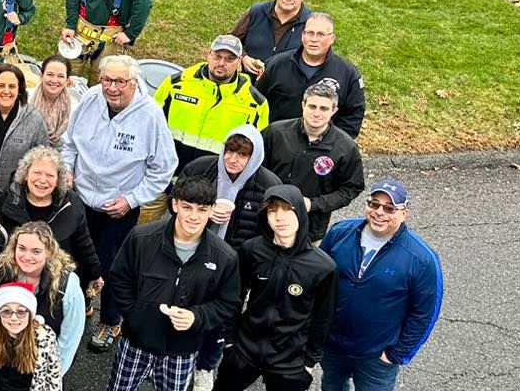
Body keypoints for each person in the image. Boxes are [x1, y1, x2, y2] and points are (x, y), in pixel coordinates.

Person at [181, 186, 337, 391]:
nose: (279, 218)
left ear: (300, 213)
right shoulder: (252, 251)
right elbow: (234, 297)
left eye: (286, 210)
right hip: (246, 346)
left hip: (290, 357)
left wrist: (310, 361)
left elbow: (323, 317)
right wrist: (229, 340)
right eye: (272, 211)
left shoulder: (323, 267)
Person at [293, 180, 443, 391]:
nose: (379, 213)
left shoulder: (421, 259)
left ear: (404, 213)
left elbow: (425, 312)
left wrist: (398, 354)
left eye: (390, 208)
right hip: (334, 341)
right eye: (374, 204)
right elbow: (318, 277)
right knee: (331, 382)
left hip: (378, 355)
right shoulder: (342, 233)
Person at [88, 176, 239, 391]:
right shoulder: (142, 238)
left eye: (202, 209)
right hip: (138, 338)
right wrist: (135, 315)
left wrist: (197, 318)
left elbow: (228, 304)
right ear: (174, 205)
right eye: (187, 207)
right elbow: (119, 278)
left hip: (184, 346)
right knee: (121, 386)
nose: (194, 216)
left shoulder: (224, 256)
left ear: (212, 212)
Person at [60, 55, 177, 354]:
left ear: (134, 83)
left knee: (114, 268)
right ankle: (81, 302)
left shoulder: (150, 115)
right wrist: (68, 171)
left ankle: (111, 320)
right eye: (106, 80)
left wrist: (131, 199)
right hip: (81, 199)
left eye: (120, 82)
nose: (112, 88)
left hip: (118, 208)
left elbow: (164, 167)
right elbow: (69, 143)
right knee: (74, 258)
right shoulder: (88, 100)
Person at [179, 124, 281, 391]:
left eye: (242, 155)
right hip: (193, 253)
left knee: (221, 316)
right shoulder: (202, 168)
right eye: (230, 150)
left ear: (255, 157)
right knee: (185, 303)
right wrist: (208, 212)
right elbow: (176, 199)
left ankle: (205, 367)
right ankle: (178, 357)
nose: (233, 159)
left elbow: (269, 232)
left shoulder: (268, 185)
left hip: (234, 265)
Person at [262, 80, 366, 243]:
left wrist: (314, 204)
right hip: (266, 221)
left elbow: (351, 188)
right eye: (312, 106)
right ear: (303, 105)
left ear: (334, 111)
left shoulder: (345, 148)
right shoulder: (276, 133)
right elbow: (257, 170)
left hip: (310, 229)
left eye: (324, 108)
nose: (316, 113)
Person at [0, 146, 101, 297]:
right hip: (15, 280)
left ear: (58, 180)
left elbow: (83, 244)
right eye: (37, 173)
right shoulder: (5, 201)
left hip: (56, 283)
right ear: (25, 175)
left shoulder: (72, 204)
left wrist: (95, 274)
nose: (42, 180)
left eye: (50, 175)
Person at [154, 34, 270, 167]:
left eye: (230, 59)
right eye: (217, 56)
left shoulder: (255, 103)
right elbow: (150, 125)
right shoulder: (175, 84)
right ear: (208, 55)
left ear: (239, 62)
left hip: (214, 180)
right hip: (165, 170)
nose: (221, 63)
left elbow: (257, 153)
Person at [0, 222, 87, 375]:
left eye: (36, 251)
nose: (27, 257)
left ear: (49, 252)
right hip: (4, 358)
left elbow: (70, 337)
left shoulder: (68, 285)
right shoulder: (0, 269)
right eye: (21, 248)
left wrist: (55, 374)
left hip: (42, 362)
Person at [259, 13, 366, 138]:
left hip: (323, 149)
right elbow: (256, 102)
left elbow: (353, 116)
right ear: (302, 36)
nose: (314, 39)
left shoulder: (347, 74)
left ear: (332, 39)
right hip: (276, 142)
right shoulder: (276, 64)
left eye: (320, 34)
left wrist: (334, 145)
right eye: (309, 33)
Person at [0, 62, 51, 200]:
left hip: (16, 198)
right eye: (1, 86)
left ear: (20, 90)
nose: (6, 91)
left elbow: (43, 158)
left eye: (12, 86)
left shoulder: (34, 119)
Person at [231, 0, 312, 77]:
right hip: (248, 84)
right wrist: (243, 58)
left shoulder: (311, 23)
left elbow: (318, 58)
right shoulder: (256, 12)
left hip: (285, 88)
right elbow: (231, 40)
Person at [29, 54, 77, 147]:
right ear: (41, 76)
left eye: (60, 76)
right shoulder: (26, 100)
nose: (54, 80)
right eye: (50, 74)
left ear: (67, 80)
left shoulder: (74, 108)